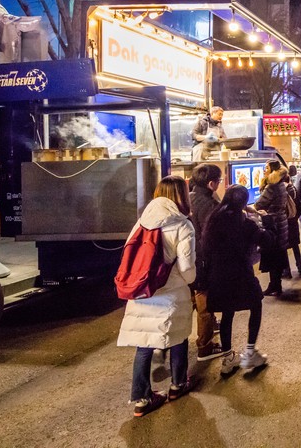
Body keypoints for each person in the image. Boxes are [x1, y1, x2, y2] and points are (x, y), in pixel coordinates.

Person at [117, 176, 197, 417]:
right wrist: (190, 281)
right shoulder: (183, 225)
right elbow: (187, 268)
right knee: (178, 337)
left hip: (142, 290)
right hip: (170, 291)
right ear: (182, 195)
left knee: (144, 344)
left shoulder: (141, 222)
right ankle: (178, 384)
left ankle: (142, 398)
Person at [203, 185, 273, 376]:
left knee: (227, 313)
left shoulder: (214, 221)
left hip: (218, 274)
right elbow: (267, 241)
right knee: (256, 305)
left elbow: (206, 249)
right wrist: (263, 219)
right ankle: (250, 351)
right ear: (244, 202)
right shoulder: (246, 224)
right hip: (241, 273)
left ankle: (228, 358)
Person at [188, 164, 226, 362]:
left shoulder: (189, 198)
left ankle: (210, 329)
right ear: (211, 183)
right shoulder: (210, 204)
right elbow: (212, 237)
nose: (219, 184)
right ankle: (205, 346)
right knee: (204, 304)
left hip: (187, 258)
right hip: (202, 259)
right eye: (219, 181)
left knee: (194, 299)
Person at [255, 164, 290, 296]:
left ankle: (274, 285)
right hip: (280, 221)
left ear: (273, 170)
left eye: (267, 168)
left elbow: (259, 204)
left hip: (272, 222)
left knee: (272, 255)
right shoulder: (280, 183)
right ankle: (276, 284)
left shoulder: (272, 186)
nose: (264, 170)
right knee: (278, 254)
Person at [282, 165, 301, 278]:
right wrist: (296, 217)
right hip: (293, 221)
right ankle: (300, 265)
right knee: (295, 245)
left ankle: (287, 270)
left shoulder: (284, 192)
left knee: (284, 246)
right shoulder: (294, 189)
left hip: (286, 222)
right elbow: (300, 206)